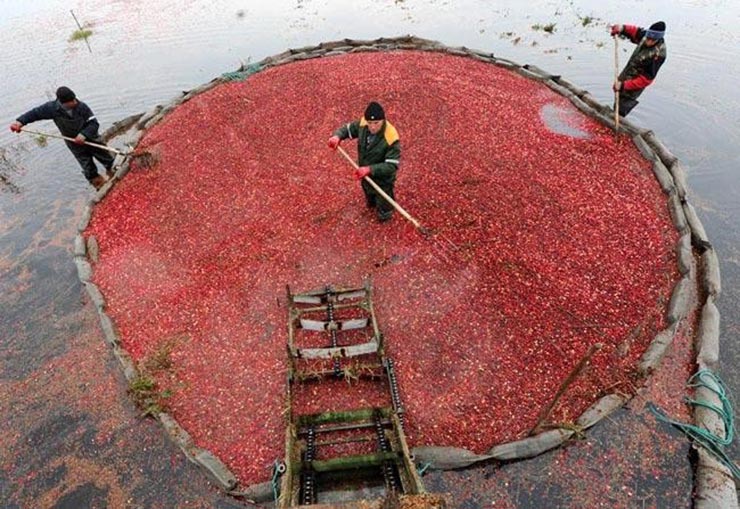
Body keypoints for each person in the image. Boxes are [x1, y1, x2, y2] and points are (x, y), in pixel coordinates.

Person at [10, 86, 115, 189]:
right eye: (71, 101)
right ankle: (98, 183)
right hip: (73, 143)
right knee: (87, 165)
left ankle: (113, 171)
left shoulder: (82, 107)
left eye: (74, 99)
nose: (74, 102)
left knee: (105, 157)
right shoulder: (52, 108)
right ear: (63, 102)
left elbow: (94, 124)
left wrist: (84, 134)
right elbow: (34, 114)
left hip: (92, 139)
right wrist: (19, 122)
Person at [328, 101, 400, 223]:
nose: (372, 127)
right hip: (365, 175)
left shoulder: (391, 137)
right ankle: (372, 204)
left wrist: (370, 169)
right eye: (370, 123)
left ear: (383, 120)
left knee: (384, 201)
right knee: (369, 195)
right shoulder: (363, 124)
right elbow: (348, 129)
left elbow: (391, 165)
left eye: (376, 123)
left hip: (383, 180)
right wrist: (337, 136)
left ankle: (385, 214)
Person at [609, 21, 667, 117]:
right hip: (627, 74)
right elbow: (636, 31)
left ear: (658, 39)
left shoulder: (659, 55)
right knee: (617, 97)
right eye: (648, 38)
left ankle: (618, 120)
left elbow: (646, 80)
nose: (648, 41)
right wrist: (622, 28)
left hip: (634, 84)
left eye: (652, 40)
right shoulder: (646, 36)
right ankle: (614, 115)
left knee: (622, 107)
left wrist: (624, 85)